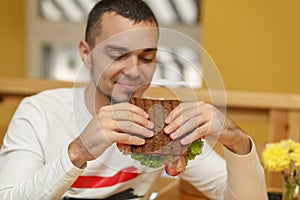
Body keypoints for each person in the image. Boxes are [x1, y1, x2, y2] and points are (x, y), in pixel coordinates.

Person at [0, 0, 268, 199]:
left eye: (147, 58)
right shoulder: (39, 113)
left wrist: (236, 139)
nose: (135, 71)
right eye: (117, 55)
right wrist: (78, 151)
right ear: (86, 53)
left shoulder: (163, 126)